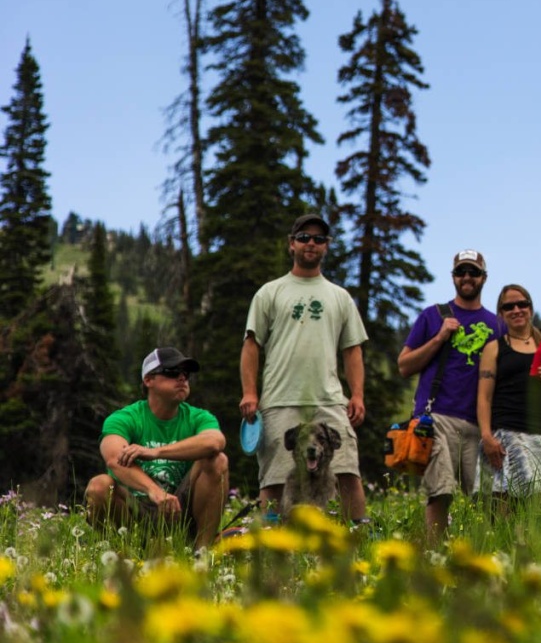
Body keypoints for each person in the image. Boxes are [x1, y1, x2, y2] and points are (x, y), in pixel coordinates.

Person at [240, 213, 370, 524]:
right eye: (304, 237)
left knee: (348, 472)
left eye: (319, 239)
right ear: (291, 244)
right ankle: (270, 546)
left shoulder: (340, 297)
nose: (311, 243)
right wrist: (249, 393)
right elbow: (251, 345)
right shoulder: (270, 292)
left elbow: (352, 350)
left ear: (326, 247)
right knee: (273, 480)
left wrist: (358, 395)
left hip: (329, 400)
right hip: (279, 399)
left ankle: (356, 542)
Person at [398, 249, 503, 538]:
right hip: (435, 419)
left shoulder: (497, 325)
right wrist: (440, 337)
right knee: (440, 491)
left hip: (479, 426)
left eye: (473, 272)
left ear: (484, 277)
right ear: (453, 277)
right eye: (461, 272)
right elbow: (404, 366)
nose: (467, 277)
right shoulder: (433, 316)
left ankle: (489, 557)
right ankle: (434, 559)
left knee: (488, 499)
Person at [85, 347, 229, 549]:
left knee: (217, 460)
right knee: (99, 486)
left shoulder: (198, 417)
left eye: (185, 374)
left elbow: (214, 442)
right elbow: (113, 458)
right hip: (135, 508)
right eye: (172, 372)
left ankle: (201, 552)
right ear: (148, 380)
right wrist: (153, 490)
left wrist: (155, 452)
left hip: (181, 510)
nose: (181, 378)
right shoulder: (125, 418)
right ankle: (125, 552)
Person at [478, 284, 541, 497]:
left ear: (530, 309)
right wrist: (487, 437)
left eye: (522, 304)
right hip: (506, 434)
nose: (516, 310)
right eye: (509, 307)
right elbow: (484, 397)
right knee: (509, 501)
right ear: (501, 314)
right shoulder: (494, 348)